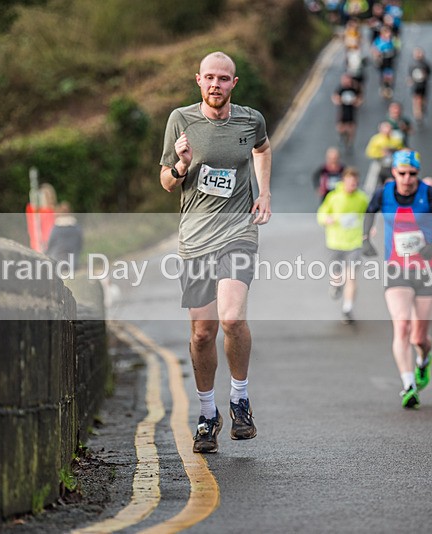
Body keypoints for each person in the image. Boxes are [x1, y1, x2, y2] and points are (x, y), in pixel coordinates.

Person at [159, 51, 272, 454]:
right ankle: (208, 414)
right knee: (202, 333)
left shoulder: (250, 120)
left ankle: (240, 400)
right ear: (198, 80)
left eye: (223, 79)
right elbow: (166, 181)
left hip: (238, 233)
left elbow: (262, 149)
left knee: (232, 317)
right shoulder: (181, 120)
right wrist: (181, 166)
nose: (215, 85)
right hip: (195, 240)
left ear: (233, 83)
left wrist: (264, 193)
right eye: (209, 77)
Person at [362, 150, 432, 408]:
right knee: (402, 325)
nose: (406, 178)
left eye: (412, 173)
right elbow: (369, 211)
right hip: (396, 268)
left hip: (427, 269)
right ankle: (408, 385)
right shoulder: (383, 194)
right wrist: (365, 239)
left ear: (418, 173)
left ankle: (423, 359)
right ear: (394, 172)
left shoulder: (431, 194)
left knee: (418, 338)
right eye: (401, 173)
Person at [317, 167, 369, 323]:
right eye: (349, 182)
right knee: (337, 275)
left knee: (351, 276)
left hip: (355, 242)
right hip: (335, 241)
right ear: (344, 181)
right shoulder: (334, 197)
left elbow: (368, 215)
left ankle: (348, 309)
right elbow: (321, 213)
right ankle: (336, 284)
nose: (352, 186)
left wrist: (370, 228)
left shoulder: (362, 198)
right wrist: (326, 219)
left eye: (355, 183)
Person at [45, 200, 83, 274]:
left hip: (57, 263)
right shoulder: (77, 227)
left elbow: (50, 246)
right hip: (73, 264)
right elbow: (80, 245)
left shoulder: (56, 229)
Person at [331, 73, 363, 151]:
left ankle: (350, 142)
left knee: (351, 127)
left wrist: (356, 102)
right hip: (342, 110)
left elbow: (360, 98)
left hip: (351, 110)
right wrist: (339, 100)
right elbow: (334, 97)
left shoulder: (354, 88)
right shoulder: (340, 88)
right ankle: (342, 135)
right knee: (340, 126)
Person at [371, 24, 398, 99]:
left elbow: (397, 46)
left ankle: (389, 88)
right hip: (382, 60)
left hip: (390, 59)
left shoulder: (392, 40)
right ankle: (384, 88)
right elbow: (374, 49)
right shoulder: (378, 40)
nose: (388, 34)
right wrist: (377, 55)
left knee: (390, 74)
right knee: (383, 74)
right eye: (386, 32)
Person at [407, 47, 432, 124]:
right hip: (416, 85)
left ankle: (422, 108)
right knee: (416, 99)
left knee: (423, 99)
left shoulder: (426, 64)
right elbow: (410, 74)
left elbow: (430, 73)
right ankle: (417, 114)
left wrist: (425, 75)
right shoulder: (412, 64)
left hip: (423, 85)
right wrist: (410, 80)